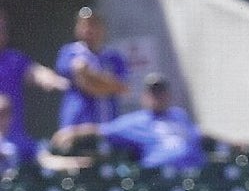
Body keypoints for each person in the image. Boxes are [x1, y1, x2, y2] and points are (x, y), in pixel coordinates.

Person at [50, 72, 206, 170]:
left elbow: (200, 134)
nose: (158, 96)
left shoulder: (179, 115)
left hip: (195, 171)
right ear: (145, 97)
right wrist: (71, 132)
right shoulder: (137, 121)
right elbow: (102, 129)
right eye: (153, 93)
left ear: (168, 95)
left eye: (161, 92)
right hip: (160, 175)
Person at [0, 8, 69, 164]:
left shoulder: (13, 59)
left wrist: (54, 80)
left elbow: (36, 72)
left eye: (2, 29)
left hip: (15, 142)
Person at [54, 6, 129, 130]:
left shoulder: (114, 56)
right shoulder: (70, 52)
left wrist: (90, 75)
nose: (88, 29)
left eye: (93, 24)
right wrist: (106, 84)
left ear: (102, 28)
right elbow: (83, 82)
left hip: (109, 124)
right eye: (84, 25)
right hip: (78, 125)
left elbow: (121, 87)